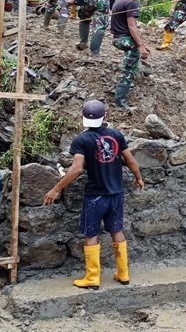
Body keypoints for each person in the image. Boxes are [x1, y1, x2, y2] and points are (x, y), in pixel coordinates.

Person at [42, 100, 145, 290]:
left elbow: (76, 169)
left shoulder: (82, 140)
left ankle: (92, 277)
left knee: (91, 233)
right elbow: (130, 160)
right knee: (117, 231)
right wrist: (138, 178)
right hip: (116, 194)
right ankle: (123, 273)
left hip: (95, 196)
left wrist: (57, 188)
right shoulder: (116, 135)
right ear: (105, 116)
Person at [111, 0, 151, 109]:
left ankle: (132, 76)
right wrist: (140, 46)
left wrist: (142, 44)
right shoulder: (131, 3)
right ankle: (120, 103)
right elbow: (132, 27)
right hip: (125, 39)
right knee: (127, 71)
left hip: (118, 38)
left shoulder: (119, 0)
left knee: (130, 64)